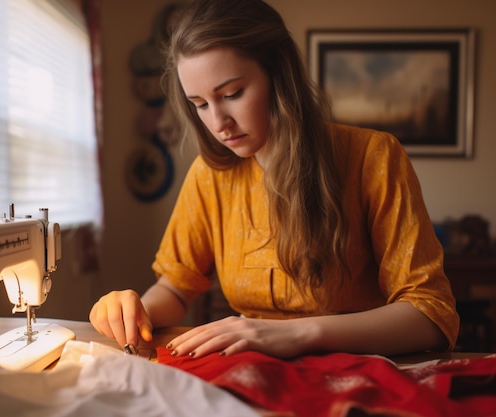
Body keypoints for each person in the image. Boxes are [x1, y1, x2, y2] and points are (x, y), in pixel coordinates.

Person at [90, 0, 459, 360]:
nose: (218, 123)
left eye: (232, 94)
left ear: (280, 76)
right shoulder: (209, 175)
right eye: (200, 104)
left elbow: (430, 314)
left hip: (359, 371)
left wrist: (299, 334)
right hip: (252, 373)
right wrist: (135, 309)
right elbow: (175, 287)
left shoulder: (373, 157)